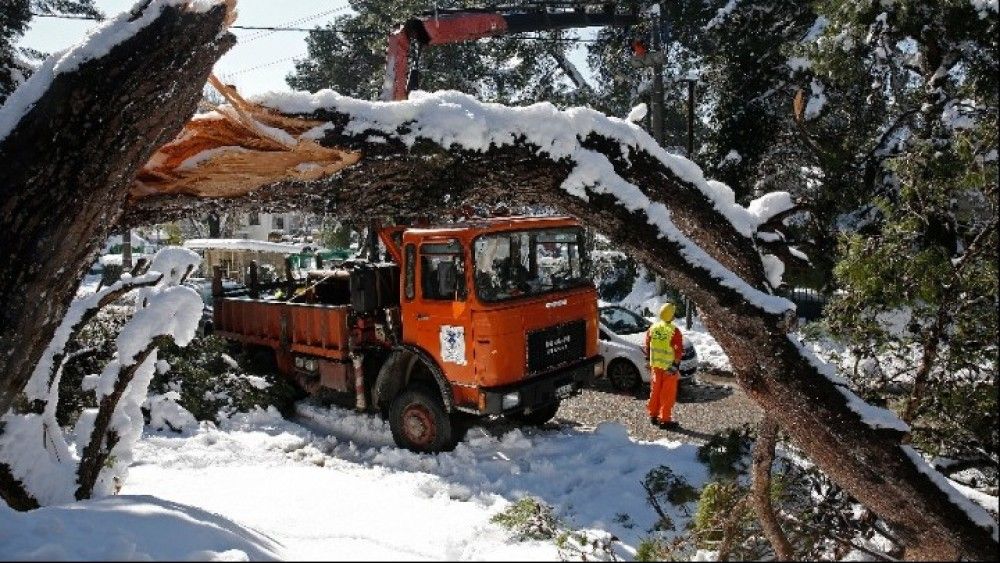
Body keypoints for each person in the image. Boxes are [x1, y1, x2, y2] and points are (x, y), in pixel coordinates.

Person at [645, 302, 684, 430]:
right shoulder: (674, 331)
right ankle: (665, 420)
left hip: (656, 366)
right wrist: (675, 366)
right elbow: (678, 350)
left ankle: (653, 415)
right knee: (667, 394)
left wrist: (649, 360)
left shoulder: (652, 328)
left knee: (655, 391)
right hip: (669, 368)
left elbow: (647, 346)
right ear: (671, 316)